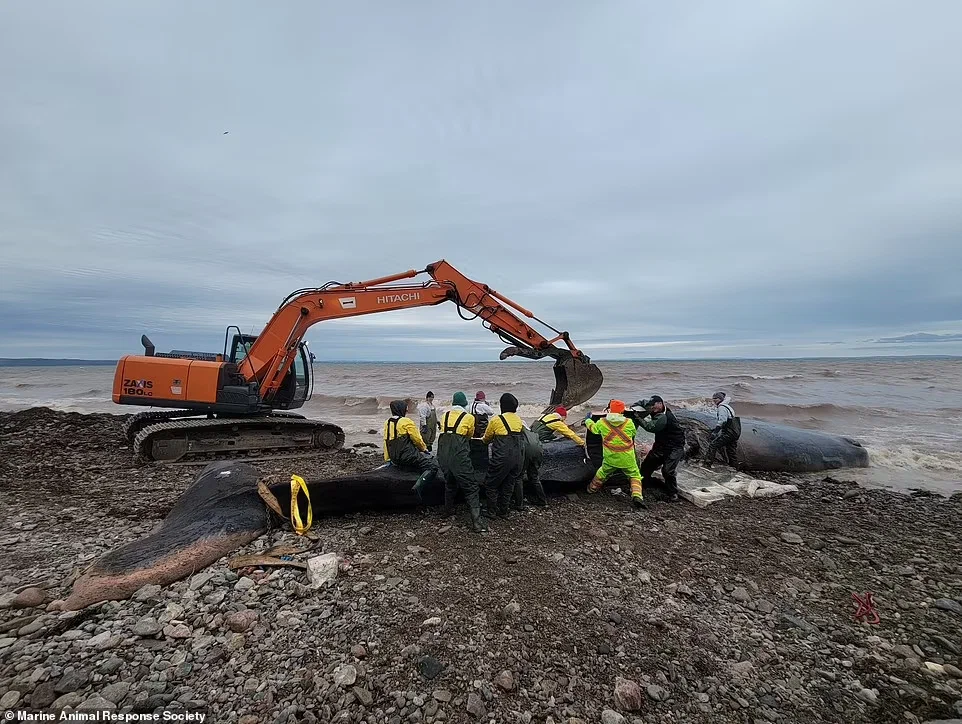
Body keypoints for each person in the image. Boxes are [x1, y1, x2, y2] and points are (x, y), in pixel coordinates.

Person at [437, 392, 487, 532]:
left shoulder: (444, 415)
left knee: (450, 482)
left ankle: (447, 511)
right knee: (471, 486)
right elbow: (469, 435)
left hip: (443, 454)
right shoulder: (468, 417)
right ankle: (477, 523)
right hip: (459, 455)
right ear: (465, 404)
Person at [583, 399, 644, 507]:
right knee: (635, 475)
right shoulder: (629, 422)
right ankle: (637, 496)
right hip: (627, 458)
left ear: (610, 410)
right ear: (622, 411)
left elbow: (594, 429)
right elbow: (633, 433)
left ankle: (591, 489)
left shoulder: (602, 422)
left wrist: (588, 420)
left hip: (610, 458)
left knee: (602, 473)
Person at [631, 395, 685, 503]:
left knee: (667, 471)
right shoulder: (652, 405)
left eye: (654, 407)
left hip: (675, 447)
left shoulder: (664, 417)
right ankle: (643, 484)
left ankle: (673, 493)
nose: (652, 409)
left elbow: (650, 427)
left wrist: (638, 417)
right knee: (646, 466)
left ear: (661, 404)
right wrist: (633, 408)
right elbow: (642, 402)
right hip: (660, 445)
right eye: (651, 407)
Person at [481, 392, 526, 518]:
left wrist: (483, 441)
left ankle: (491, 512)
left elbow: (487, 438)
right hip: (518, 457)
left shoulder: (496, 420)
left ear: (502, 406)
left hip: (502, 457)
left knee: (491, 484)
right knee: (509, 484)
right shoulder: (518, 420)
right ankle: (504, 511)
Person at [383, 400, 439, 498]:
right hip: (408, 456)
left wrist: (388, 459)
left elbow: (386, 442)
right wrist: (424, 449)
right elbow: (417, 439)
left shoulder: (387, 422)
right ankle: (418, 487)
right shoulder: (406, 422)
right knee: (432, 467)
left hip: (394, 458)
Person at [705, 391, 741, 468]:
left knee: (713, 445)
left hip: (728, 432)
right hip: (735, 432)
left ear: (721, 399)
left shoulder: (721, 407)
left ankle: (707, 464)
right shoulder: (728, 406)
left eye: (716, 398)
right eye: (713, 398)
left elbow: (723, 421)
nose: (714, 400)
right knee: (731, 450)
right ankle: (734, 467)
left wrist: (715, 432)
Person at [469, 391, 497, 473]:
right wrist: (487, 405)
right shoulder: (483, 406)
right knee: (485, 445)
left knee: (474, 444)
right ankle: (486, 463)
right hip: (482, 429)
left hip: (474, 429)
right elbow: (491, 412)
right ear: (483, 398)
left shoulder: (471, 405)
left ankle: (475, 461)